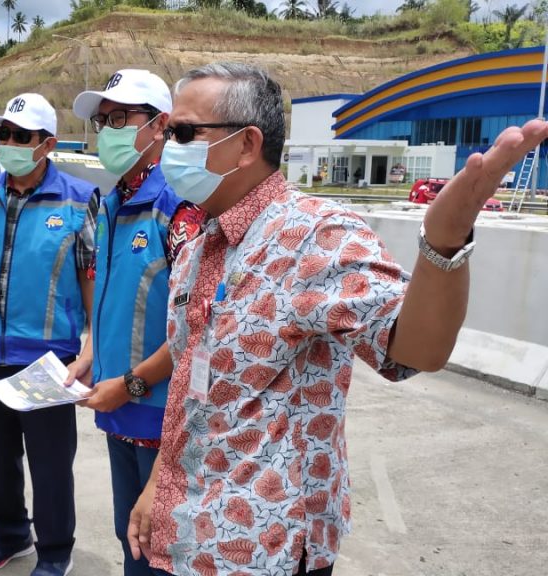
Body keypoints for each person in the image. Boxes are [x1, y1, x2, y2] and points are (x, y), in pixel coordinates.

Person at [125, 63, 548, 576]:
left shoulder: (317, 235)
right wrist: (158, 487)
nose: (169, 146)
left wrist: (443, 242)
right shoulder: (197, 249)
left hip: (263, 550)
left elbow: (414, 350)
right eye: (170, 132)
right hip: (184, 531)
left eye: (184, 133)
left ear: (246, 144)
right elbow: (194, 391)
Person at [0, 93, 98, 576]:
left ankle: (54, 552)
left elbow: (91, 277)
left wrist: (91, 345)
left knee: (50, 467)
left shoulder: (77, 199)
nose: (8, 143)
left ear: (46, 144)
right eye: (2, 134)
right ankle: (11, 535)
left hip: (47, 359)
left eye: (20, 136)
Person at [70, 69, 199, 576]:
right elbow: (117, 298)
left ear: (161, 125)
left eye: (120, 118)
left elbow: (198, 327)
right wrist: (89, 355)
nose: (108, 131)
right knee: (132, 539)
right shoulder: (113, 201)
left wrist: (130, 384)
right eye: (103, 121)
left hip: (161, 413)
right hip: (120, 405)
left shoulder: (179, 206)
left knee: (160, 546)